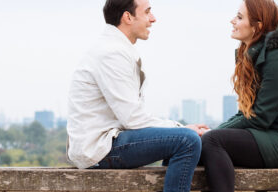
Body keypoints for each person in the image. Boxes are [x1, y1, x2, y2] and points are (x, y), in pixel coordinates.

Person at [66, 0, 202, 191]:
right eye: (147, 12)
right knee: (187, 140)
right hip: (100, 149)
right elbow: (132, 118)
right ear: (128, 17)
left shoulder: (116, 48)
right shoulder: (111, 53)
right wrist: (180, 128)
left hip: (105, 143)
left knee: (181, 139)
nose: (153, 19)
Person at [199, 0, 278, 191]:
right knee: (191, 144)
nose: (232, 21)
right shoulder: (252, 56)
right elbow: (245, 113)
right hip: (269, 133)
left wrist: (212, 134)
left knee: (212, 141)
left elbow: (261, 116)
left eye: (239, 17)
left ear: (257, 26)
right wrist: (213, 131)